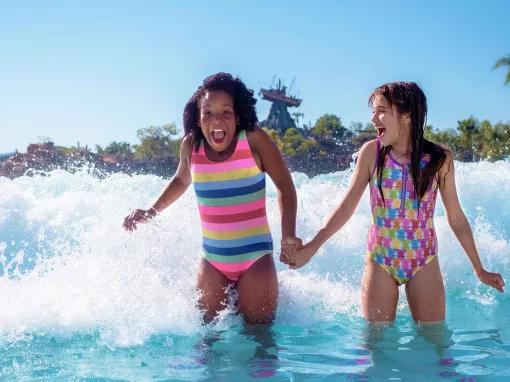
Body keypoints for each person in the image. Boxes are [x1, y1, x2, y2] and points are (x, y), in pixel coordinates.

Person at [283, 81, 505, 323]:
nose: (373, 119)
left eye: (381, 111)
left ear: (407, 116)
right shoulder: (371, 153)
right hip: (381, 259)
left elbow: (456, 217)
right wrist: (312, 248)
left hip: (424, 259)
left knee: (433, 344)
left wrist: (478, 268)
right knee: (376, 346)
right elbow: (346, 207)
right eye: (373, 112)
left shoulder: (439, 159)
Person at [123, 72, 299, 324]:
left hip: (256, 259)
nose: (216, 120)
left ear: (238, 115)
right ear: (198, 116)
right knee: (207, 340)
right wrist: (150, 212)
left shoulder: (254, 141)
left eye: (225, 112)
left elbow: (285, 185)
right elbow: (181, 181)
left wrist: (288, 235)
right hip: (213, 261)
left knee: (260, 340)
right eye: (207, 112)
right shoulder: (191, 146)